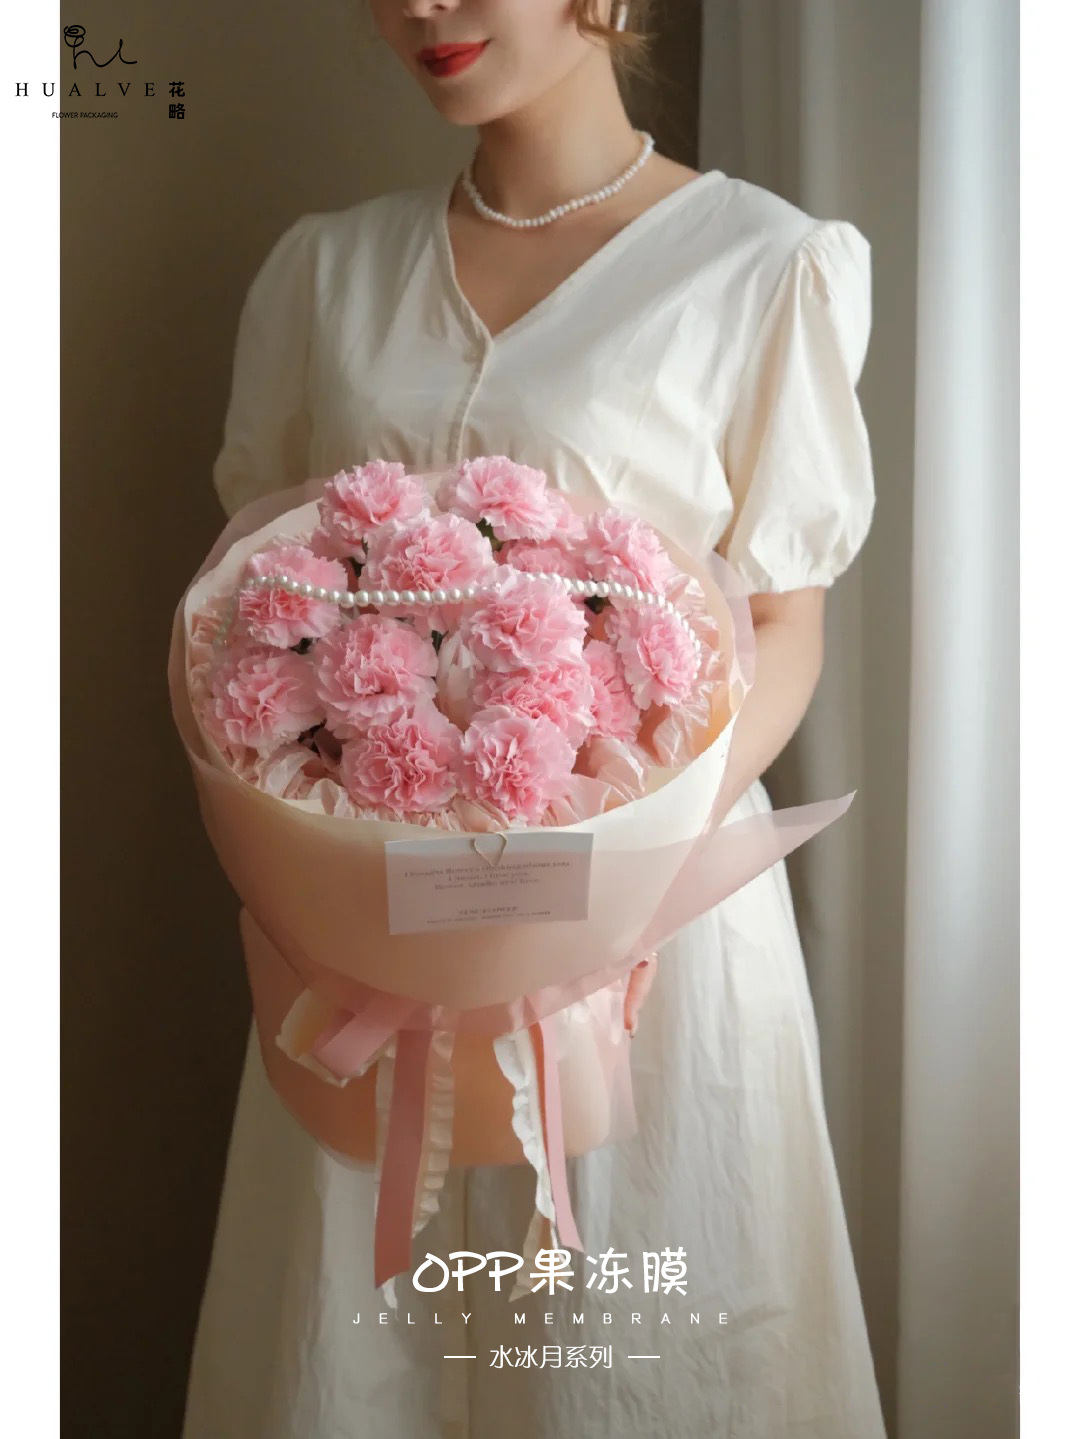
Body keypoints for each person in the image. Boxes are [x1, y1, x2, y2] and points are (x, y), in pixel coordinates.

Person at [180, 2, 887, 1434]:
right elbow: (257, 597)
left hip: (650, 932)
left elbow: (782, 624)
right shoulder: (326, 272)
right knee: (363, 1348)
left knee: (633, 1355)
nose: (421, 6)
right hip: (364, 939)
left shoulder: (762, 266)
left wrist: (611, 863)